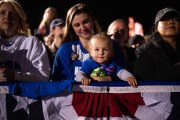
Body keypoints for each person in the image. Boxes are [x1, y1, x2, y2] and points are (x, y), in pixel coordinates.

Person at [51, 3, 126, 81]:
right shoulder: (65, 50)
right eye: (77, 25)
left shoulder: (112, 45)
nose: (83, 28)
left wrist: (106, 79)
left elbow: (125, 76)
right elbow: (57, 83)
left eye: (86, 22)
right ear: (71, 28)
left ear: (93, 20)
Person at [0, 0, 50, 82]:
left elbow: (42, 78)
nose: (7, 17)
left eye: (12, 14)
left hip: (23, 94)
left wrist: (14, 76)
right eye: (2, 13)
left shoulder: (32, 43)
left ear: (19, 19)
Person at [135, 7, 180, 81]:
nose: (171, 21)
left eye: (176, 19)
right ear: (156, 27)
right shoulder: (144, 51)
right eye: (165, 19)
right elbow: (144, 77)